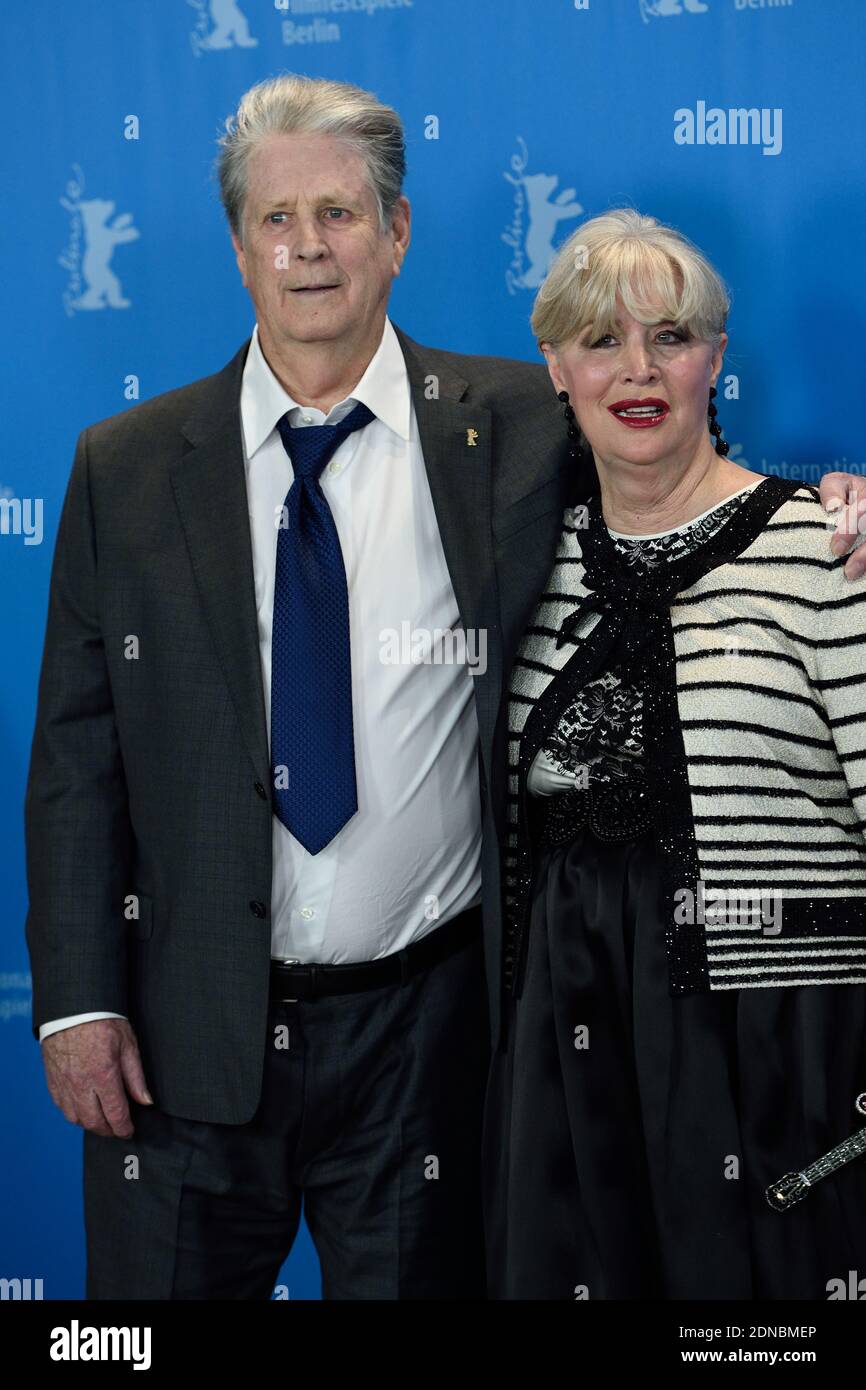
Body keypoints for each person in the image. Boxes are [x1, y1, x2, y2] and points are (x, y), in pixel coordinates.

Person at [24, 75, 866, 1299]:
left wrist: (837, 502)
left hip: (428, 1041)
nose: (309, 247)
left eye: (341, 213)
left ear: (398, 232)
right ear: (236, 243)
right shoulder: (127, 465)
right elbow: (73, 761)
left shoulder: (519, 419)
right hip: (180, 1038)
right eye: (276, 219)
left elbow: (673, 470)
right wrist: (75, 1005)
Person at [481, 208, 866, 1301]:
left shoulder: (824, 552)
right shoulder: (518, 559)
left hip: (783, 1043)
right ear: (552, 365)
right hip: (562, 1036)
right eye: (599, 340)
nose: (635, 370)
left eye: (669, 335)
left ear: (716, 358)